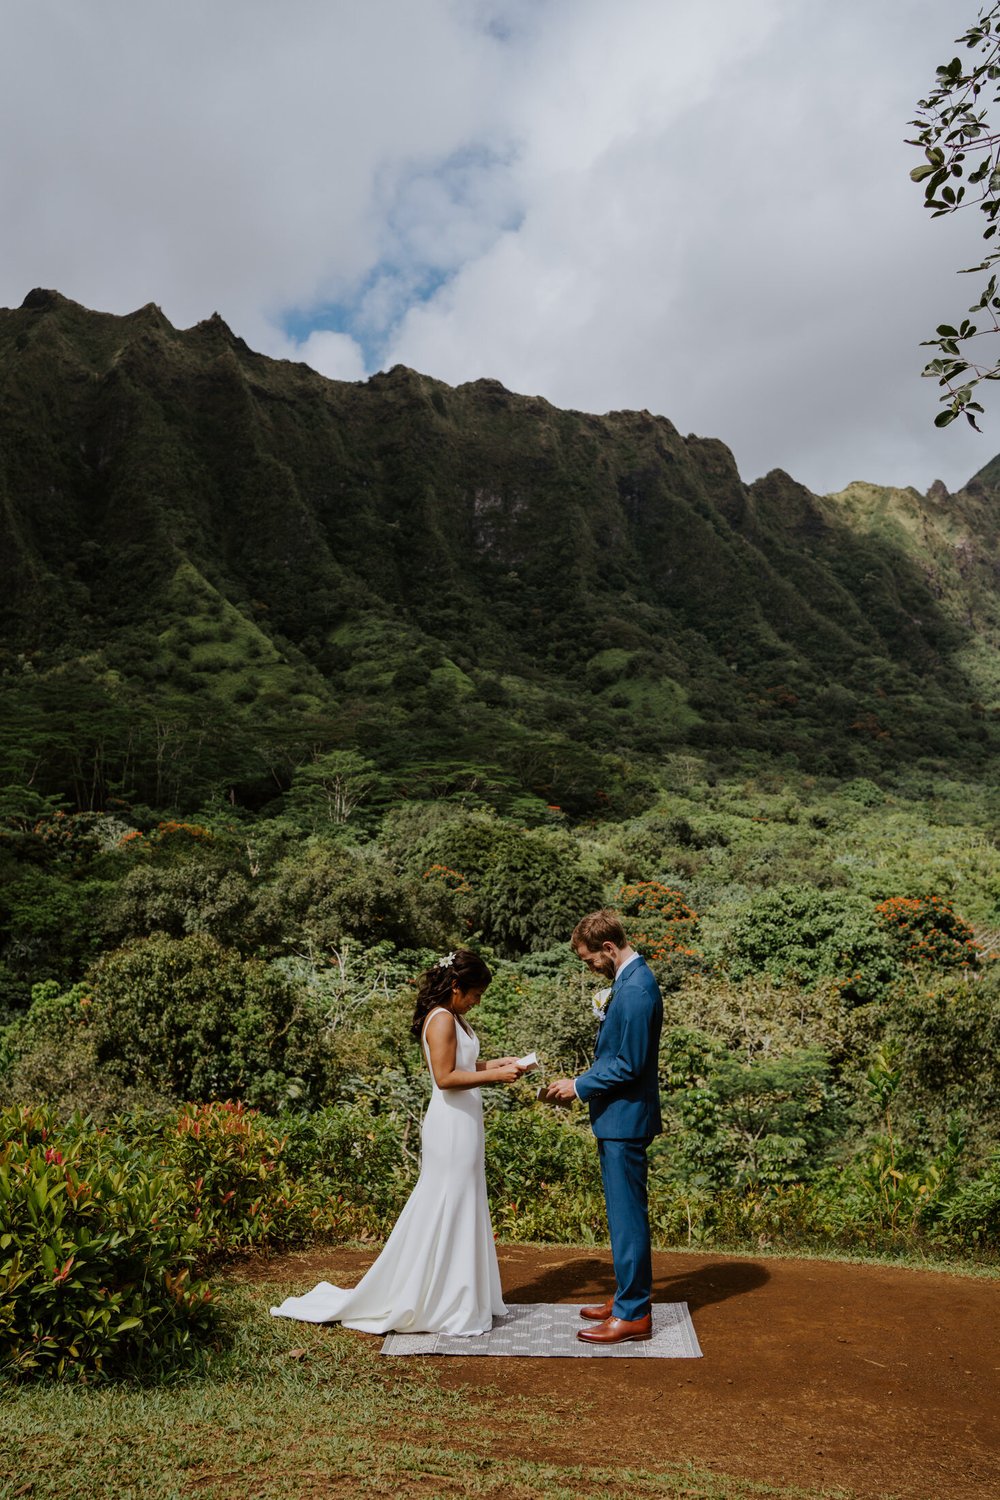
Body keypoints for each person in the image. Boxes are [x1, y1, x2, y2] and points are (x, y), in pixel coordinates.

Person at [270, 948, 525, 1335]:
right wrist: (494, 1079)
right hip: (451, 1126)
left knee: (464, 1202)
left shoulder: (454, 1017)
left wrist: (502, 1063)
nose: (477, 1001)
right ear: (455, 986)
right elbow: (444, 1078)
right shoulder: (440, 1020)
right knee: (447, 1203)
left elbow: (465, 1066)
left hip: (465, 1122)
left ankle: (458, 1293)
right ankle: (441, 1299)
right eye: (475, 994)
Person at [544, 909, 663, 1345]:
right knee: (621, 1215)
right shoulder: (629, 981)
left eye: (590, 959)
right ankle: (627, 1296)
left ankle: (633, 1314)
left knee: (628, 1217)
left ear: (609, 949)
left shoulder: (634, 991)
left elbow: (629, 1064)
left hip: (625, 1119)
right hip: (619, 1117)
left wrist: (578, 1086)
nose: (590, 966)